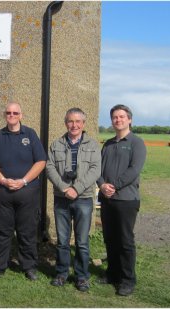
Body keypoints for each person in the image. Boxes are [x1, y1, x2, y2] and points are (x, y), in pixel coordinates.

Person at [0, 101, 46, 281]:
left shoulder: (31, 134)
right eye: (8, 113)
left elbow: (41, 161)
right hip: (2, 192)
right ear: (5, 115)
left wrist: (24, 181)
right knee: (2, 231)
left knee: (27, 231)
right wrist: (3, 180)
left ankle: (29, 267)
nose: (12, 116)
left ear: (21, 115)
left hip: (27, 192)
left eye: (15, 113)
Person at [46, 108, 101, 292]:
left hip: (83, 199)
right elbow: (50, 168)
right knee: (62, 240)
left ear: (83, 124)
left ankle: (82, 277)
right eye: (70, 121)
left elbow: (95, 170)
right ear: (65, 123)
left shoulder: (93, 145)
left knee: (82, 241)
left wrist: (76, 189)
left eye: (78, 121)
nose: (74, 125)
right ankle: (61, 273)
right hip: (61, 199)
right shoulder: (56, 145)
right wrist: (64, 187)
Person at [96, 104, 146, 296]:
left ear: (129, 119)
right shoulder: (108, 144)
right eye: (115, 117)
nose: (118, 120)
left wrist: (113, 186)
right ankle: (112, 273)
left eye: (122, 117)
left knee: (125, 240)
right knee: (110, 238)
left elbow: (134, 170)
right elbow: (98, 169)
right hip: (107, 199)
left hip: (126, 200)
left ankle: (127, 280)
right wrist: (101, 185)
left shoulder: (136, 143)